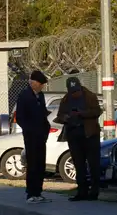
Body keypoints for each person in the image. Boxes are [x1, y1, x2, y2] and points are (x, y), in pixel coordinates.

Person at [55, 76, 102, 201]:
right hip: (73, 134)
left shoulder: (90, 96)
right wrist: (65, 117)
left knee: (93, 164)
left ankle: (94, 191)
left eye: (76, 91)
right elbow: (59, 115)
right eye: (72, 92)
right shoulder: (66, 99)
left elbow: (97, 111)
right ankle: (82, 191)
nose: (75, 94)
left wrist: (82, 113)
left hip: (89, 134)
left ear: (80, 88)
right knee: (78, 164)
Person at [15, 70, 51, 204]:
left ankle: (38, 192)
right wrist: (29, 129)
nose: (41, 87)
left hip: (41, 135)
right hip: (31, 136)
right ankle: (31, 193)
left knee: (41, 164)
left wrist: (45, 129)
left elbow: (42, 113)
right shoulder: (25, 96)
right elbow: (20, 117)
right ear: (33, 83)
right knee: (33, 164)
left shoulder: (40, 96)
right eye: (40, 84)